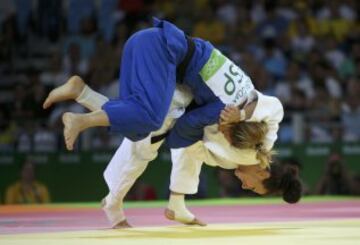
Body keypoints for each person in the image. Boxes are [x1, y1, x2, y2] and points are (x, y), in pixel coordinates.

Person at [43, 77, 300, 228]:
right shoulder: (257, 149)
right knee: (142, 146)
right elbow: (274, 106)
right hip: (188, 101)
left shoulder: (236, 160)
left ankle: (82, 92)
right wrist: (242, 114)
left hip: (185, 107)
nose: (245, 187)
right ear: (264, 174)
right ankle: (113, 207)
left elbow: (191, 152)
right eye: (254, 188)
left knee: (140, 133)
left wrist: (177, 201)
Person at [43, 18, 283, 160]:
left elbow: (262, 107)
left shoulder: (247, 99)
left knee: (137, 130)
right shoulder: (226, 110)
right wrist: (187, 142)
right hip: (162, 48)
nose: (221, 132)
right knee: (151, 119)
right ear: (235, 129)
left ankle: (80, 90)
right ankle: (80, 121)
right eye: (227, 135)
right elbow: (187, 126)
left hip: (150, 49)